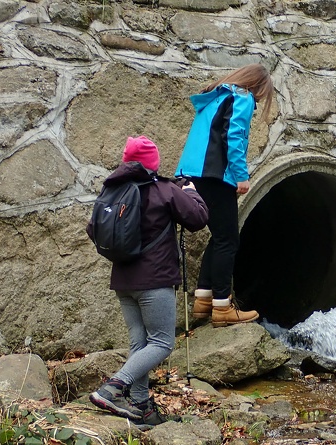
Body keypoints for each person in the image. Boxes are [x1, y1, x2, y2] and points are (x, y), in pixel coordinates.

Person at [87, 135, 209, 427]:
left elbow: (94, 230)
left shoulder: (110, 190)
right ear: (153, 163)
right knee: (163, 343)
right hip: (154, 280)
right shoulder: (163, 190)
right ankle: (113, 388)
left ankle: (141, 406)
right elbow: (198, 218)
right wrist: (191, 192)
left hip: (123, 280)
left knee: (140, 342)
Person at [175, 64, 275, 327]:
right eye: (263, 95)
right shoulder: (241, 97)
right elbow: (235, 136)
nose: (260, 101)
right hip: (215, 176)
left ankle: (203, 300)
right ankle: (223, 307)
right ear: (257, 86)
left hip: (191, 173)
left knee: (220, 237)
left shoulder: (217, 96)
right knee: (229, 240)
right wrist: (241, 175)